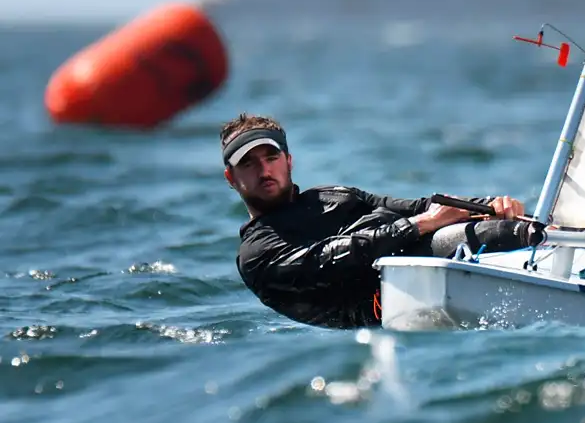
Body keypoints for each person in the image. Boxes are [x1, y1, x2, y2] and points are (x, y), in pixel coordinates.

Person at [220, 112, 543, 329]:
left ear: (288, 161)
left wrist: (490, 205)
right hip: (388, 317)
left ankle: (557, 237)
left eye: (271, 157)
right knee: (452, 237)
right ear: (230, 178)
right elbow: (327, 259)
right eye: (248, 164)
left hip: (434, 269)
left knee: (496, 225)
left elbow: (421, 207)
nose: (264, 171)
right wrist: (416, 226)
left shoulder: (333, 196)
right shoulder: (256, 253)